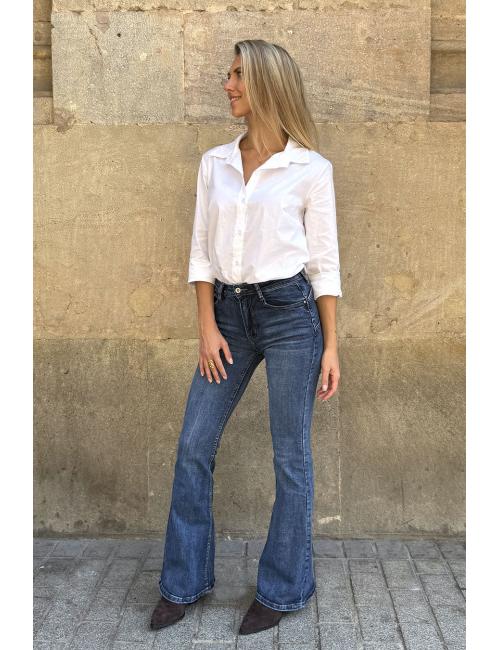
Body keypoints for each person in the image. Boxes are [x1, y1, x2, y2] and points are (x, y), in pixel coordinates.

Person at [150, 39, 342, 636]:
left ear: (265, 83)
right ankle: (183, 583)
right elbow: (200, 252)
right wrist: (206, 326)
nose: (227, 85)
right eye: (228, 74)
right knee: (193, 444)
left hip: (289, 316)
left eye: (237, 75)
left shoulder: (311, 169)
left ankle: (283, 588)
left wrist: (331, 346)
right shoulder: (215, 163)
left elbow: (324, 266)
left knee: (291, 457)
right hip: (228, 316)